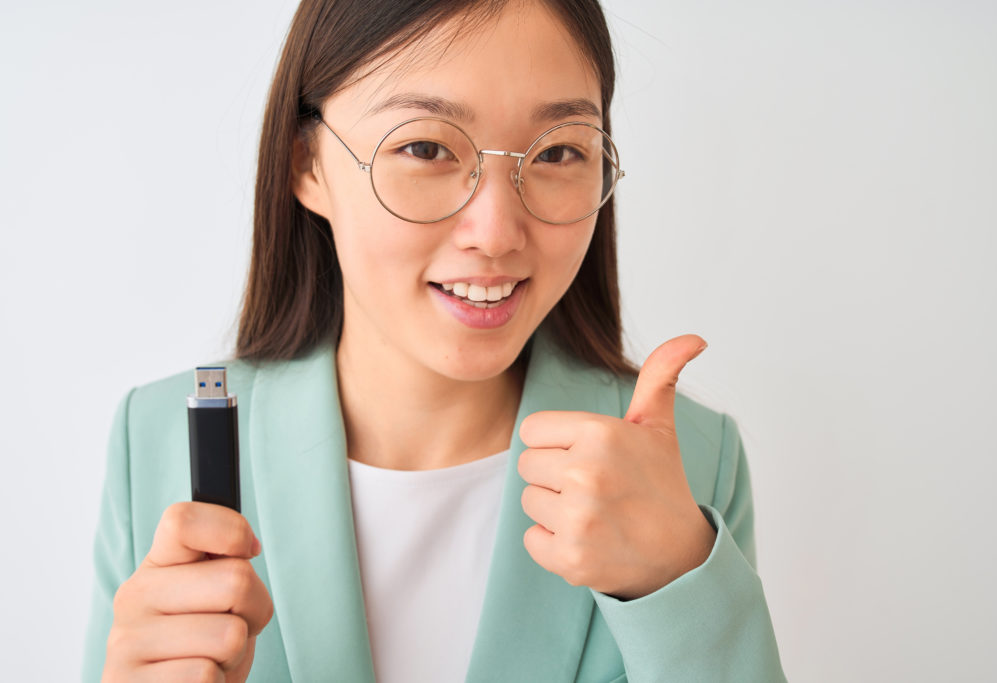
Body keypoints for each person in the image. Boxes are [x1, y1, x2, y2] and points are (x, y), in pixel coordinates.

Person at [83, 0, 786, 680]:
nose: (497, 231)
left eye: (561, 151)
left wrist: (679, 587)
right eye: (425, 147)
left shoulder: (688, 465)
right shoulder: (155, 443)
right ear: (307, 163)